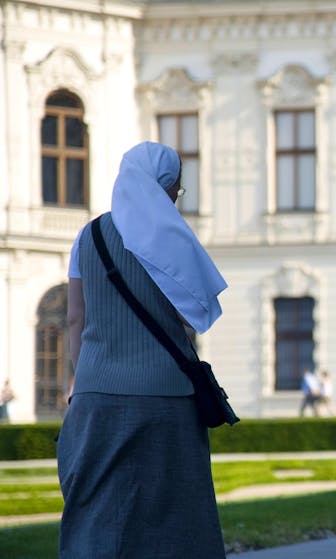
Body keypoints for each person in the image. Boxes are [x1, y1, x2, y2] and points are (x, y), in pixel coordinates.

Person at [58, 142, 228, 558]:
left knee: (96, 511)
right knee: (175, 516)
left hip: (95, 396)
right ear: (166, 187)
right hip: (165, 395)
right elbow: (192, 317)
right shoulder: (172, 238)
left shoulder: (89, 235)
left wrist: (90, 378)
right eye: (178, 190)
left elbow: (75, 319)